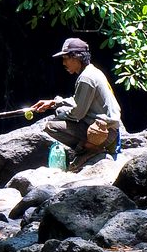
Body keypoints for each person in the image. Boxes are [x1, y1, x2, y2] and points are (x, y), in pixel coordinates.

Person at [31, 37, 121, 168]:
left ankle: (91, 149)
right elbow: (78, 101)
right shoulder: (93, 71)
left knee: (50, 126)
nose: (63, 63)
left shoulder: (86, 78)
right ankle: (89, 149)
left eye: (65, 58)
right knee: (59, 111)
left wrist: (60, 114)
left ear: (76, 57)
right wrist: (54, 103)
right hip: (112, 130)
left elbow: (77, 114)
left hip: (102, 133)